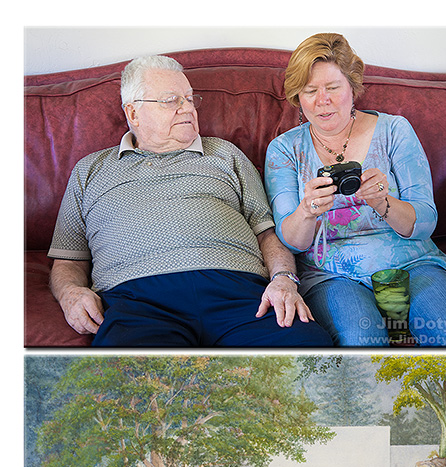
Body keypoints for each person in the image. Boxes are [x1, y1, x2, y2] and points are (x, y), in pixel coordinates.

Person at [48, 55, 332, 348]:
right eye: (171, 100)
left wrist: (284, 279)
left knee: (309, 350)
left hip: (242, 296)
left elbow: (267, 233)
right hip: (139, 304)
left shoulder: (225, 154)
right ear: (133, 113)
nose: (187, 108)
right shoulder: (90, 170)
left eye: (188, 99)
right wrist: (71, 293)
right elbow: (67, 259)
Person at [264, 32, 446, 347]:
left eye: (333, 88)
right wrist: (307, 209)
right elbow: (292, 242)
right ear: (298, 96)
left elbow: (425, 221)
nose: (321, 101)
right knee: (360, 342)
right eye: (309, 90)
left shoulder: (395, 131)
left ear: (353, 87)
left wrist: (384, 203)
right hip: (332, 275)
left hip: (413, 262)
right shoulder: (284, 149)